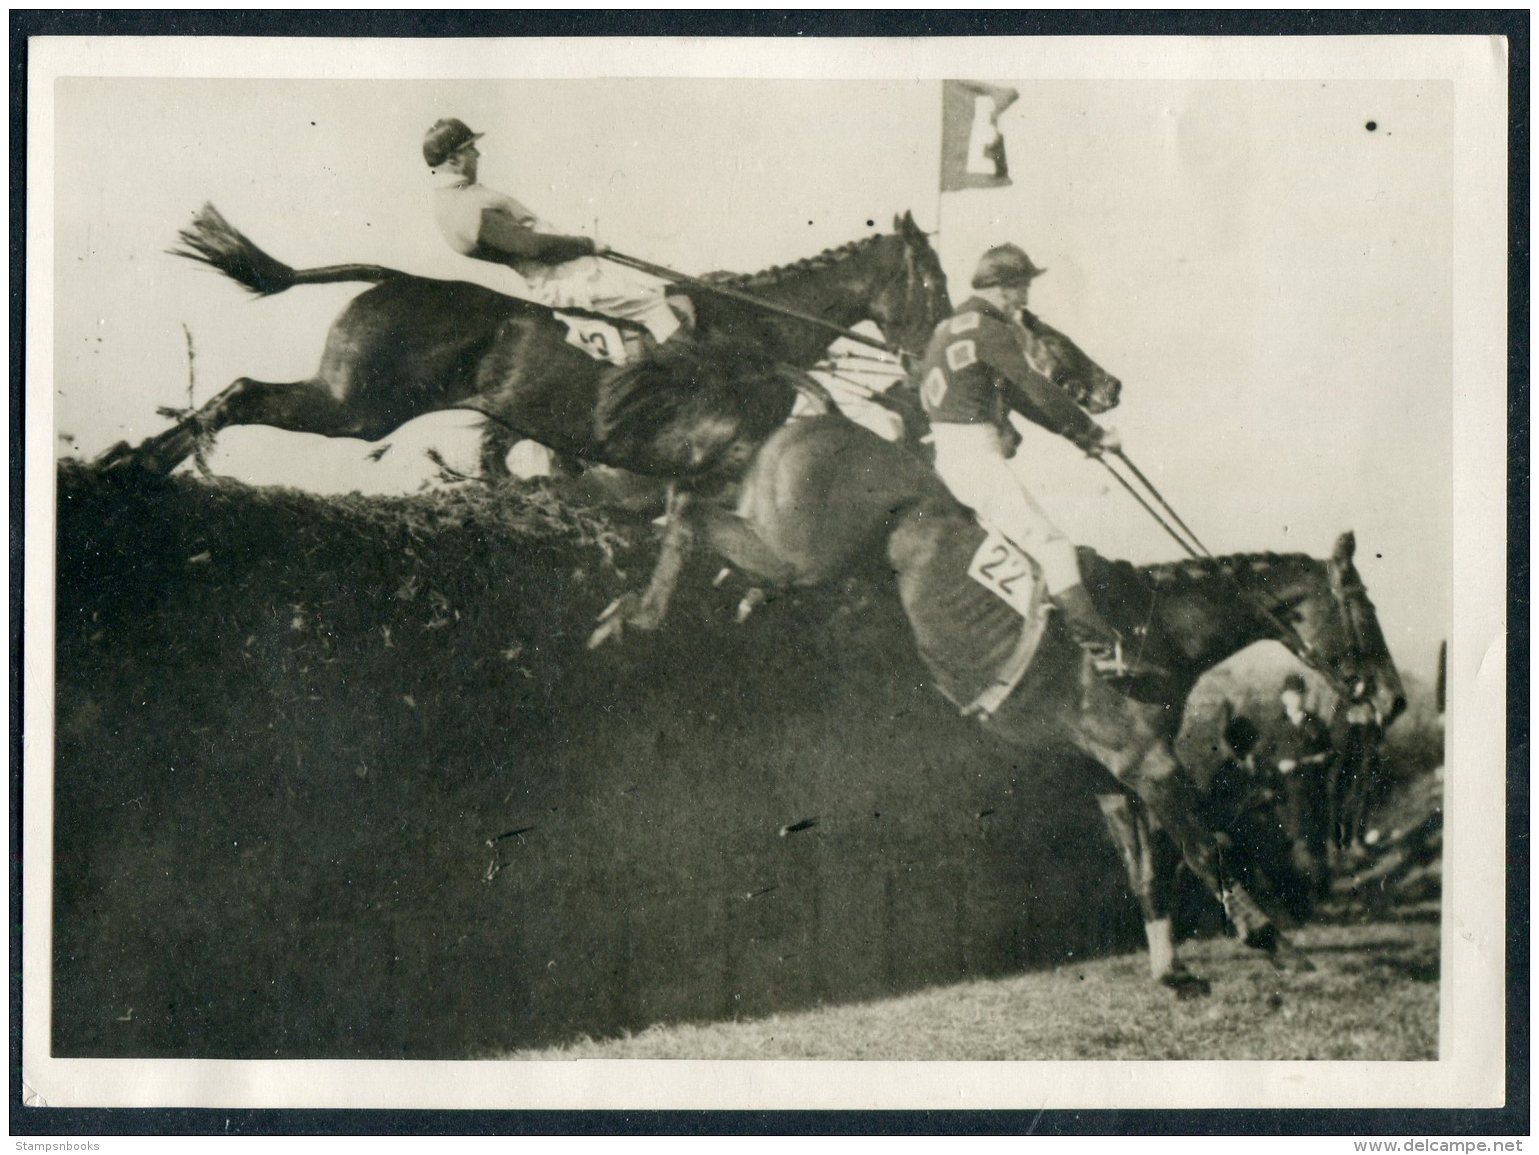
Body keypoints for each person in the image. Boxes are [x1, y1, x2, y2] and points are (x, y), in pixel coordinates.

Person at [914, 242, 1157, 679]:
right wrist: (1094, 433)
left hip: (949, 459)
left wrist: (1081, 439)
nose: (1024, 300)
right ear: (1004, 289)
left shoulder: (946, 329)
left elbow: (1023, 400)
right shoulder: (990, 330)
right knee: (1054, 548)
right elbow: (1037, 388)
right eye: (1022, 288)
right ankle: (1104, 653)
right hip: (976, 459)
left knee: (1024, 556)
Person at [422, 118, 682, 346]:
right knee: (654, 305)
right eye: (470, 149)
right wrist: (587, 244)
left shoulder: (452, 200)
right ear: (454, 159)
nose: (478, 155)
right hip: (564, 278)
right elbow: (532, 247)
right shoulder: (465, 206)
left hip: (560, 275)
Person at [1201, 716, 1311, 920]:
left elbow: (1283, 792)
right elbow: (1214, 809)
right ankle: (1251, 917)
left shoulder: (1264, 767)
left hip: (1266, 831)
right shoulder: (1224, 774)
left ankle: (1300, 913)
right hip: (1238, 835)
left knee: (1282, 870)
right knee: (1243, 879)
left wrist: (1270, 795)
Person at [1266, 672, 1336, 898]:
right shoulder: (1276, 726)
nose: (1295, 699)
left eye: (1299, 694)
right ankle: (1295, 893)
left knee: (1316, 840)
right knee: (1291, 840)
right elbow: (1264, 759)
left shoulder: (1315, 724)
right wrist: (1278, 765)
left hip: (1313, 790)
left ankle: (1321, 891)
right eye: (1291, 695)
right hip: (1287, 794)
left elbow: (1330, 754)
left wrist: (1309, 762)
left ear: (1304, 697)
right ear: (1283, 698)